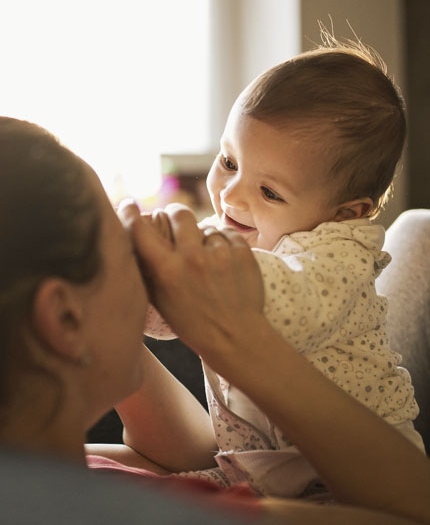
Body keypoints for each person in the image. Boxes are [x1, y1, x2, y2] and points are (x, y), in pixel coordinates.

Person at [0, 116, 428, 524]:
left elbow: (192, 454)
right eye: (120, 241)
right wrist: (235, 337)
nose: (140, 254)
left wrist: (104, 321)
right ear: (64, 316)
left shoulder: (60, 463)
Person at [143, 41, 424, 496]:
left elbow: (292, 306)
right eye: (229, 162)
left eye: (269, 192)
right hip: (258, 467)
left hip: (359, 473)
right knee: (157, 495)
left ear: (348, 212)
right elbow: (172, 319)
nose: (232, 196)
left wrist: (194, 267)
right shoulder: (227, 227)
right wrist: (135, 282)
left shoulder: (341, 255)